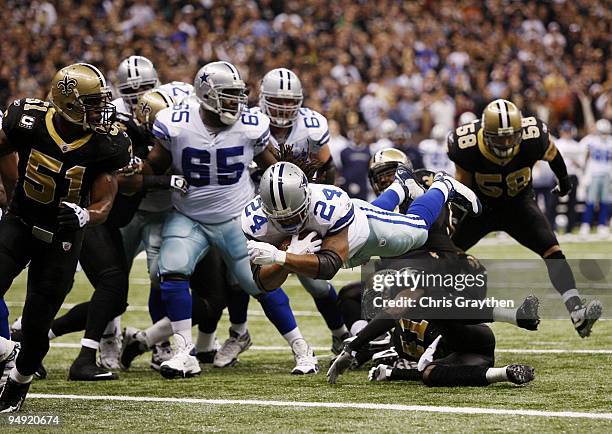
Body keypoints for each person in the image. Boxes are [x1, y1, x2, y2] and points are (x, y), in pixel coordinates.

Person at [131, 61, 318, 377]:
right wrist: (134, 171)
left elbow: (272, 168)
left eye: (238, 95)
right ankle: (183, 352)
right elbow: (154, 166)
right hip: (188, 216)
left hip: (236, 217)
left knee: (258, 280)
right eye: (228, 95)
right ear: (206, 95)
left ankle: (302, 349)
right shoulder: (175, 123)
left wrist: (293, 175)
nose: (237, 102)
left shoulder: (251, 124)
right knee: (172, 268)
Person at [0, 63, 131, 411]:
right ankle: (4, 351)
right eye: (91, 103)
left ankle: (18, 381)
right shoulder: (26, 118)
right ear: (68, 101)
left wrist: (86, 214)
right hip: (20, 224)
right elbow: (1, 147)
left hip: (62, 239)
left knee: (37, 328)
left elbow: (106, 200)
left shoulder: (106, 142)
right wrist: (13, 188)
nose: (100, 110)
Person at [448, 99, 602, 337]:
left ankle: (577, 312)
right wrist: (453, 218)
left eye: (511, 136)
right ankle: (429, 315)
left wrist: (563, 182)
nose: (507, 143)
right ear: (485, 134)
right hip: (480, 209)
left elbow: (553, 155)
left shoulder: (534, 136)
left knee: (553, 252)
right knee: (443, 255)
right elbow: (462, 185)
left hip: (519, 206)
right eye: (500, 138)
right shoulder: (466, 145)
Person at [244, 160, 482, 291]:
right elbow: (264, 283)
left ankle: (443, 186)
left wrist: (282, 257)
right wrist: (281, 261)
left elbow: (328, 267)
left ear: (306, 199)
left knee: (418, 230)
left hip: (363, 231)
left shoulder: (329, 204)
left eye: (295, 216)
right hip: (341, 245)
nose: (290, 223)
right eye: (281, 219)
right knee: (379, 210)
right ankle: (401, 186)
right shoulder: (255, 222)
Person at [255, 67, 348, 353]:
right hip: (256, 207)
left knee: (317, 284)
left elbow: (327, 166)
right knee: (252, 277)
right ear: (263, 99)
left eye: (289, 101)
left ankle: (340, 333)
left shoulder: (311, 125)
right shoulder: (250, 123)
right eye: (277, 100)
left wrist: (320, 206)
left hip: (298, 209)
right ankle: (237, 332)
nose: (284, 107)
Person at [578, 119, 612, 236]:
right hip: (594, 174)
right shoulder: (590, 140)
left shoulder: (610, 142)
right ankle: (586, 224)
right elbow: (579, 150)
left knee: (605, 201)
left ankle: (602, 225)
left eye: (605, 132)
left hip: (607, 175)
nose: (603, 134)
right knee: (590, 201)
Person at [554, 122, 584, 232]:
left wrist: (575, 161)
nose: (567, 133)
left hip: (572, 175)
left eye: (568, 131)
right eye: (565, 131)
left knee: (572, 203)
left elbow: (581, 163)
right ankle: (552, 227)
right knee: (553, 202)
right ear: (561, 131)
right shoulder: (556, 143)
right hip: (558, 177)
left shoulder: (576, 145)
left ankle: (570, 228)